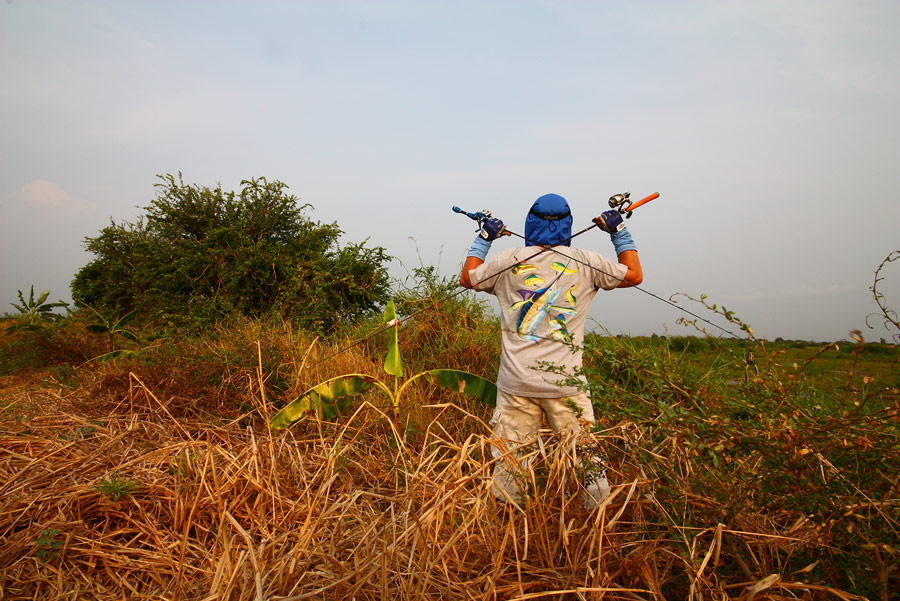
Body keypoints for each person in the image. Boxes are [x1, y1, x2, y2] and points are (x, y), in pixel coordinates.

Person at [459, 193, 642, 507]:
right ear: (569, 225)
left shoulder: (508, 259)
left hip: (517, 383)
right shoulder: (588, 262)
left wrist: (484, 238)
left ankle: (509, 524)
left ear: (530, 221)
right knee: (587, 460)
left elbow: (467, 279)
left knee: (510, 463)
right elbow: (634, 275)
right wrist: (618, 232)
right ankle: (595, 523)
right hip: (566, 384)